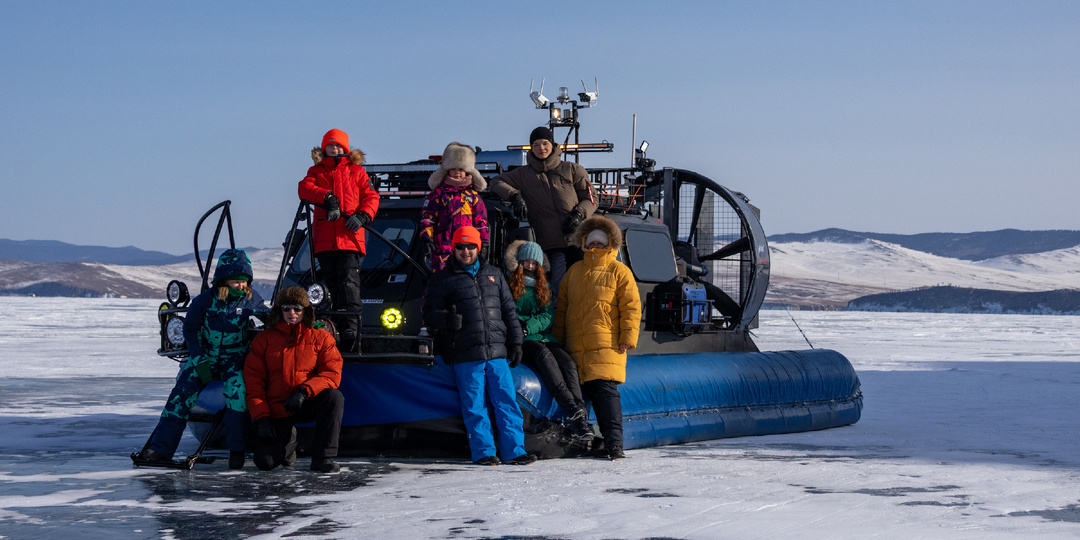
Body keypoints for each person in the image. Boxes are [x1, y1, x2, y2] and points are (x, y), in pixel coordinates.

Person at [139, 248, 267, 469]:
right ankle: (160, 449)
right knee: (181, 395)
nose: (242, 286)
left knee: (237, 393)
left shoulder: (251, 300)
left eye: (245, 282)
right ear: (224, 281)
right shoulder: (204, 301)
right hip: (205, 357)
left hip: (233, 358)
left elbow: (270, 316)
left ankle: (237, 450)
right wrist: (199, 361)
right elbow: (191, 330)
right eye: (236, 281)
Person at [422, 226, 536, 466]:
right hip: (465, 354)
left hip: (497, 353)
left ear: (478, 247)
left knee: (507, 402)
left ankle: (515, 451)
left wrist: (516, 342)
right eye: (460, 247)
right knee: (475, 406)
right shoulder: (443, 278)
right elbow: (429, 313)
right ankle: (484, 453)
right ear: (453, 249)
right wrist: (446, 320)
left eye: (470, 246)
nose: (465, 251)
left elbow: (509, 311)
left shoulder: (494, 275)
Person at [553, 216, 641, 460]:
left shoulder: (619, 272)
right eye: (590, 243)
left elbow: (631, 308)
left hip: (606, 345)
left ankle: (615, 444)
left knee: (605, 394)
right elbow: (562, 309)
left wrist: (627, 337)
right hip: (576, 346)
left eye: (599, 244)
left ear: (609, 245)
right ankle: (584, 442)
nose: (594, 247)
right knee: (577, 397)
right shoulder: (574, 272)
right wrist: (558, 339)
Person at [244, 287, 345, 473]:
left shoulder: (322, 338)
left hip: (306, 401)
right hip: (277, 408)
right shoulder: (263, 340)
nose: (292, 313)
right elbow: (254, 383)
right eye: (287, 308)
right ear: (278, 310)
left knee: (333, 397)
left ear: (306, 310)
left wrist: (304, 391)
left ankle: (323, 457)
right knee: (265, 463)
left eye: (298, 308)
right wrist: (262, 418)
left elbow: (331, 373)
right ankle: (288, 444)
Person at [298, 128, 381, 351]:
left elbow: (371, 197)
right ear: (323, 148)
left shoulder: (357, 172)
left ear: (345, 149)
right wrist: (327, 197)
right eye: (330, 145)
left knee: (348, 282)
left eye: (338, 146)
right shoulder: (315, 172)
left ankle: (350, 328)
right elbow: (304, 188)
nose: (334, 149)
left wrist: (363, 215)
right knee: (330, 284)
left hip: (349, 238)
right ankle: (330, 325)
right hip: (325, 239)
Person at [489, 126, 597, 295]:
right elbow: (495, 182)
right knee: (558, 291)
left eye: (545, 143)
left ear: (553, 145)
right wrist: (515, 195)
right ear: (531, 148)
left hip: (579, 242)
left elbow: (591, 199)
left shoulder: (572, 169)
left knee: (586, 289)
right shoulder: (522, 174)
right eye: (536, 145)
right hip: (551, 245)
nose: (541, 148)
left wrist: (578, 214)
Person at [504, 240, 592, 440]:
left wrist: (531, 325)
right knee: (545, 357)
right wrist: (523, 328)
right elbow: (510, 313)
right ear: (520, 262)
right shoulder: (510, 284)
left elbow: (548, 315)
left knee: (568, 363)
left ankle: (579, 414)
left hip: (542, 334)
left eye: (535, 264)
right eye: (527, 262)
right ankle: (569, 405)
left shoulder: (544, 286)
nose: (531, 267)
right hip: (523, 338)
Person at [419, 142, 490, 272]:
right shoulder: (438, 194)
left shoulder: (473, 196)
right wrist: (426, 237)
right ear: (447, 170)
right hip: (442, 250)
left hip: (467, 251)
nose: (457, 173)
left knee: (466, 285)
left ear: (468, 171)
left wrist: (484, 243)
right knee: (441, 285)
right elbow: (428, 218)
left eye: (461, 169)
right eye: (454, 169)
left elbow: (481, 222)